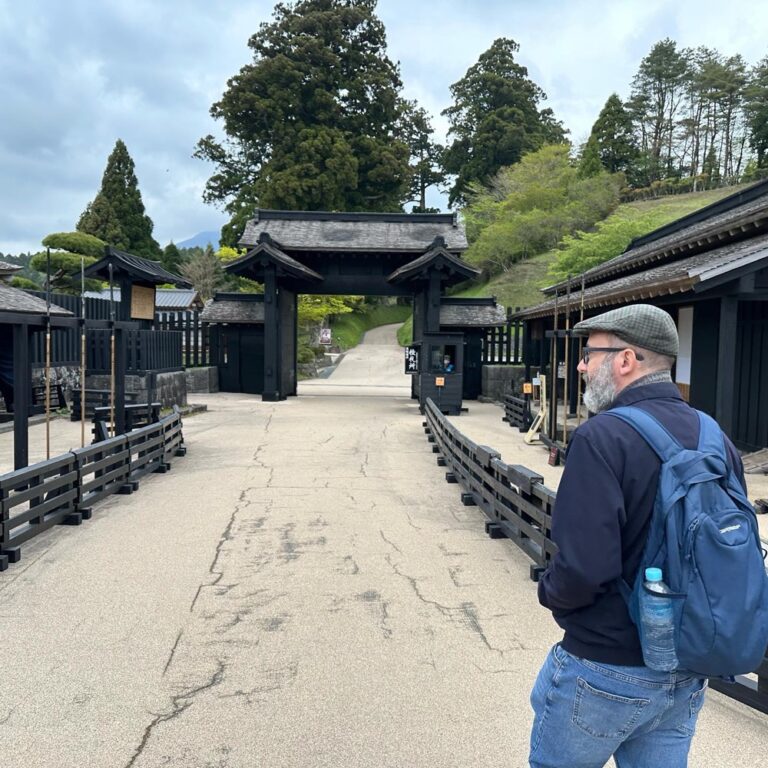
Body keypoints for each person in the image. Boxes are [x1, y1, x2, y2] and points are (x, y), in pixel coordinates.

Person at [529, 304, 745, 768]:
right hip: (685, 666)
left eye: (589, 354)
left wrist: (549, 594)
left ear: (625, 360)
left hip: (607, 662)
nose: (582, 366)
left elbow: (584, 568)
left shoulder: (602, 437)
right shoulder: (715, 437)